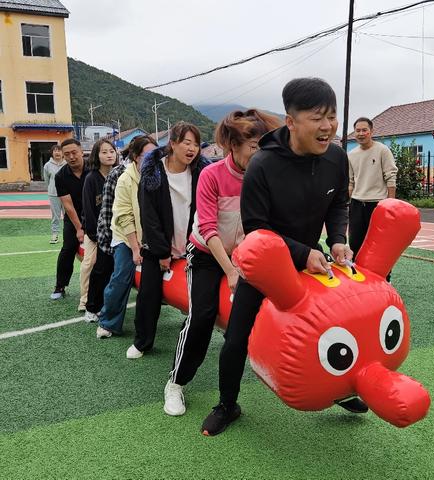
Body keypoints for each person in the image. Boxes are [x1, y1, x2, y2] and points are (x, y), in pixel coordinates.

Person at [201, 78, 363, 437]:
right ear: (291, 122)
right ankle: (227, 403)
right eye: (318, 117)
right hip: (264, 264)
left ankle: (338, 391)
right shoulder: (263, 165)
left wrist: (337, 240)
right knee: (236, 338)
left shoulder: (336, 157)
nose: (328, 126)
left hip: (312, 260)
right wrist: (304, 253)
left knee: (332, 330)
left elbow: (338, 203)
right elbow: (257, 227)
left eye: (332, 116)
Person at [162, 110, 281, 417]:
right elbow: (208, 229)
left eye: (262, 146)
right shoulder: (211, 175)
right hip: (206, 254)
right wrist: (230, 270)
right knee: (202, 315)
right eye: (254, 146)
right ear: (233, 145)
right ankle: (176, 383)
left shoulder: (265, 176)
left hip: (246, 255)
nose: (259, 153)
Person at [126, 122, 210, 360]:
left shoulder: (202, 171)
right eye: (186, 143)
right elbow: (149, 217)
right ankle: (142, 341)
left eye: (195, 144)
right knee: (149, 294)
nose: (192, 148)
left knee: (203, 292)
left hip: (193, 243)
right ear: (172, 144)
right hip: (158, 246)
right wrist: (163, 251)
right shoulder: (153, 173)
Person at [96, 135, 157, 338]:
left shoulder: (159, 175)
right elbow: (123, 215)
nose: (152, 159)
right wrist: (135, 247)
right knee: (122, 275)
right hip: (126, 235)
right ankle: (108, 321)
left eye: (155, 154)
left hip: (150, 234)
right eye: (147, 155)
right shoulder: (124, 178)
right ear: (136, 157)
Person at [348, 117, 398, 264]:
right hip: (357, 203)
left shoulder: (382, 150)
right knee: (355, 242)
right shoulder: (351, 154)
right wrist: (348, 202)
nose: (361, 133)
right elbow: (350, 182)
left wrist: (390, 204)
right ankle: (357, 274)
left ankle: (385, 278)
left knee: (380, 244)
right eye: (358, 130)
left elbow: (391, 178)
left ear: (371, 132)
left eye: (364, 130)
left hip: (378, 204)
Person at [81, 139, 118, 321]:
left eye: (112, 151)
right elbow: (88, 209)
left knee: (112, 271)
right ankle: (91, 307)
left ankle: (106, 305)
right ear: (97, 155)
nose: (109, 155)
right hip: (98, 234)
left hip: (117, 233)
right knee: (99, 269)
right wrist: (94, 235)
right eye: (104, 152)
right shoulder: (91, 179)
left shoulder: (120, 174)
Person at [50, 139, 88, 300]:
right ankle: (60, 286)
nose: (71, 157)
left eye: (74, 152)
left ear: (81, 151)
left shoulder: (94, 168)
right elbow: (68, 206)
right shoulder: (61, 176)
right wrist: (79, 228)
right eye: (67, 154)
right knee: (68, 248)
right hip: (74, 218)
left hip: (96, 215)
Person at [43, 145, 66, 244]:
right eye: (55, 151)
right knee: (55, 216)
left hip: (66, 194)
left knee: (68, 216)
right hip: (53, 194)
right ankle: (55, 234)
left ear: (62, 153)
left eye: (59, 151)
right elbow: (47, 180)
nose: (57, 153)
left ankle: (68, 235)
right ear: (52, 153)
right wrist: (52, 189)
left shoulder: (67, 164)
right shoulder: (47, 165)